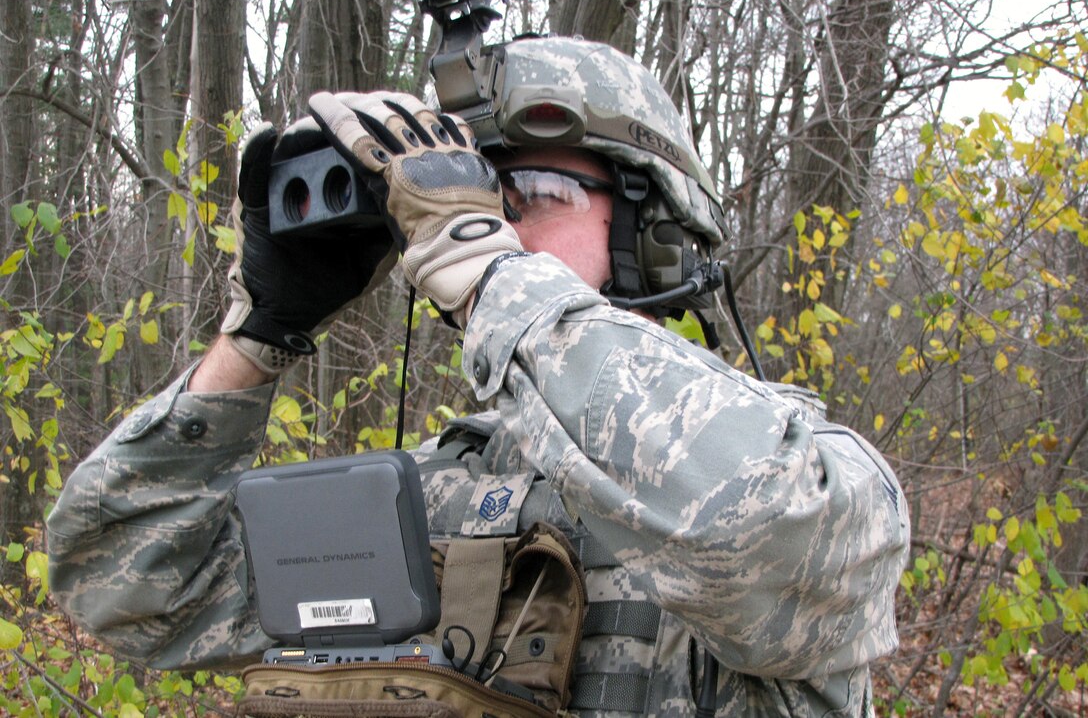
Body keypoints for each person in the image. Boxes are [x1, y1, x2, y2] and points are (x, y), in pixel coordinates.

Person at [47, 37, 909, 716]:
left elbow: (755, 532)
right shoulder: (438, 495)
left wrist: (487, 268)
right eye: (467, 197)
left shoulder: (809, 474)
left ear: (653, 226)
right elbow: (130, 583)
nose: (488, 221)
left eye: (526, 192)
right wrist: (259, 335)